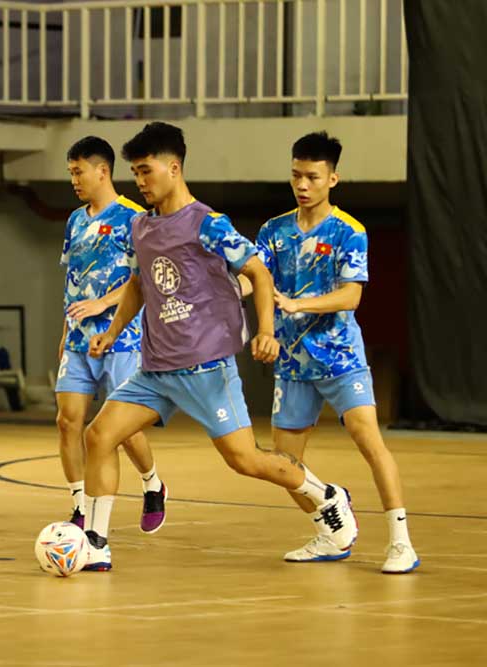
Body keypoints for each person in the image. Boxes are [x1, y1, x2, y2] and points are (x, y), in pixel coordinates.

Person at [82, 122, 358, 571]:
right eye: (135, 173)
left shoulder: (208, 224)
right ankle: (94, 544)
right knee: (99, 435)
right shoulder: (140, 226)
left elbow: (259, 274)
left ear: (174, 168)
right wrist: (113, 333)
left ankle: (326, 496)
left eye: (146, 171)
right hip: (155, 370)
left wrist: (265, 331)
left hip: (206, 368)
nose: (140, 182)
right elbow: (137, 283)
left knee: (245, 460)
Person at [252, 131, 419, 573]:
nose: (302, 185)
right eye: (295, 176)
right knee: (284, 464)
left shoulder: (350, 231)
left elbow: (350, 297)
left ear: (333, 179)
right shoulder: (273, 231)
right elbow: (255, 280)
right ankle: (330, 521)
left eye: (311, 177)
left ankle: (401, 542)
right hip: (291, 363)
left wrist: (296, 302)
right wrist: (235, 290)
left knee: (370, 442)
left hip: (340, 358)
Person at [56, 136, 166, 538]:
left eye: (78, 172)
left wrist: (103, 304)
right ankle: (80, 508)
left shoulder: (136, 218)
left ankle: (152, 484)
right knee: (68, 421)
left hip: (123, 340)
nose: (74, 180)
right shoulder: (74, 220)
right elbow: (71, 283)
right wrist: (65, 334)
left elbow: (144, 280)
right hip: (78, 342)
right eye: (70, 173)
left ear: (102, 171)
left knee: (122, 430)